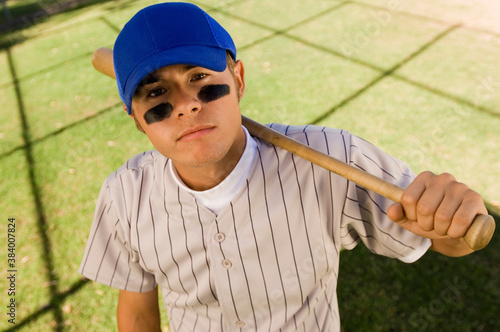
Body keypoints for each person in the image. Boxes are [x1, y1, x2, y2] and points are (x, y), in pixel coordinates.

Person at [79, 2, 489, 331]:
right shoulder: (124, 196)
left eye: (200, 76)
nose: (187, 103)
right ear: (135, 118)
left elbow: (443, 238)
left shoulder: (334, 158)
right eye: (156, 92)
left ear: (238, 79)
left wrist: (454, 218)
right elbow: (136, 310)